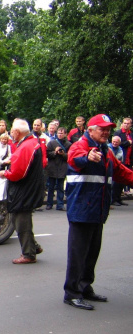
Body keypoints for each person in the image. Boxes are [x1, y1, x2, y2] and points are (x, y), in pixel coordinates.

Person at [63, 114, 133, 310]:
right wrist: (87, 157)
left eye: (108, 128)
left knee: (92, 252)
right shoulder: (81, 146)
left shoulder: (106, 151)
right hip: (82, 211)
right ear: (90, 130)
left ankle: (85, 287)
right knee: (78, 254)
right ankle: (72, 292)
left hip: (98, 211)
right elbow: (74, 159)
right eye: (102, 128)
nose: (106, 132)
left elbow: (122, 172)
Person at [0, 119, 45, 264]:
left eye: (12, 130)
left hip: (25, 190)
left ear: (17, 132)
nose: (11, 132)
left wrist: (5, 174)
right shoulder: (30, 143)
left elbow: (18, 173)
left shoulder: (26, 146)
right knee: (18, 219)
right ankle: (33, 247)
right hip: (29, 188)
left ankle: (29, 254)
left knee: (21, 222)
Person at [46, 127, 71, 210]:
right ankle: (49, 204)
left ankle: (60, 204)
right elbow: (47, 154)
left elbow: (70, 156)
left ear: (65, 134)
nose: (60, 135)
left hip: (62, 167)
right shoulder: (52, 143)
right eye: (59, 133)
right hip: (52, 167)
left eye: (62, 133)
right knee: (51, 187)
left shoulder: (68, 144)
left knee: (60, 187)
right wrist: (55, 152)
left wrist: (63, 154)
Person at [109, 136, 126, 206]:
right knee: (111, 185)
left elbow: (119, 158)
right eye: (114, 142)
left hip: (115, 167)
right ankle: (111, 201)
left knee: (118, 183)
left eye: (117, 142)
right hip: (109, 168)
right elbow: (111, 158)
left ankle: (117, 199)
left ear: (119, 143)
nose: (115, 143)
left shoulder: (120, 149)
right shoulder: (108, 147)